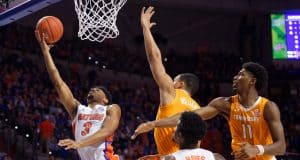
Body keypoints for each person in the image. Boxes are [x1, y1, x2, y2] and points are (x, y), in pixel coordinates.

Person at [132, 62, 286, 160]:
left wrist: (256, 149)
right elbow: (187, 117)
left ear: (252, 81)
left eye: (241, 75)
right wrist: (154, 124)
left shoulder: (268, 107)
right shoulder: (224, 104)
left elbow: (281, 147)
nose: (235, 77)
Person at [35, 31, 121, 160]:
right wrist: (46, 52)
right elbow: (58, 83)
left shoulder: (111, 108)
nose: (93, 90)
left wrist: (79, 143)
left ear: (105, 99)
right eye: (92, 89)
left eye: (98, 90)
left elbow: (107, 131)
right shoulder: (78, 110)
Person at [138, 6, 201, 158]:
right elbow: (194, 146)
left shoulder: (174, 93)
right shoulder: (199, 110)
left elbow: (155, 59)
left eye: (174, 80)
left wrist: (145, 28)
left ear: (180, 84)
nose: (171, 82)